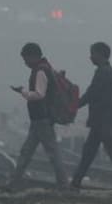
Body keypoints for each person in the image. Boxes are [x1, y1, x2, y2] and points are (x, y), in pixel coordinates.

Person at [70, 42, 112, 192]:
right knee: (92, 151)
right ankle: (76, 182)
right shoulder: (110, 72)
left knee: (105, 151)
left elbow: (92, 93)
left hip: (102, 120)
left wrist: (74, 105)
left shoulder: (103, 73)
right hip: (105, 119)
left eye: (93, 53)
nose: (90, 57)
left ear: (100, 54)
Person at [6, 42, 68, 189]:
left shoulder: (40, 71)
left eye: (26, 59)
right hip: (39, 119)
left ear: (33, 56)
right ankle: (14, 181)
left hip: (42, 119)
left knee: (51, 152)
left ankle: (64, 184)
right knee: (27, 151)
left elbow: (39, 94)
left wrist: (23, 92)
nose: (25, 62)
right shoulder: (44, 68)